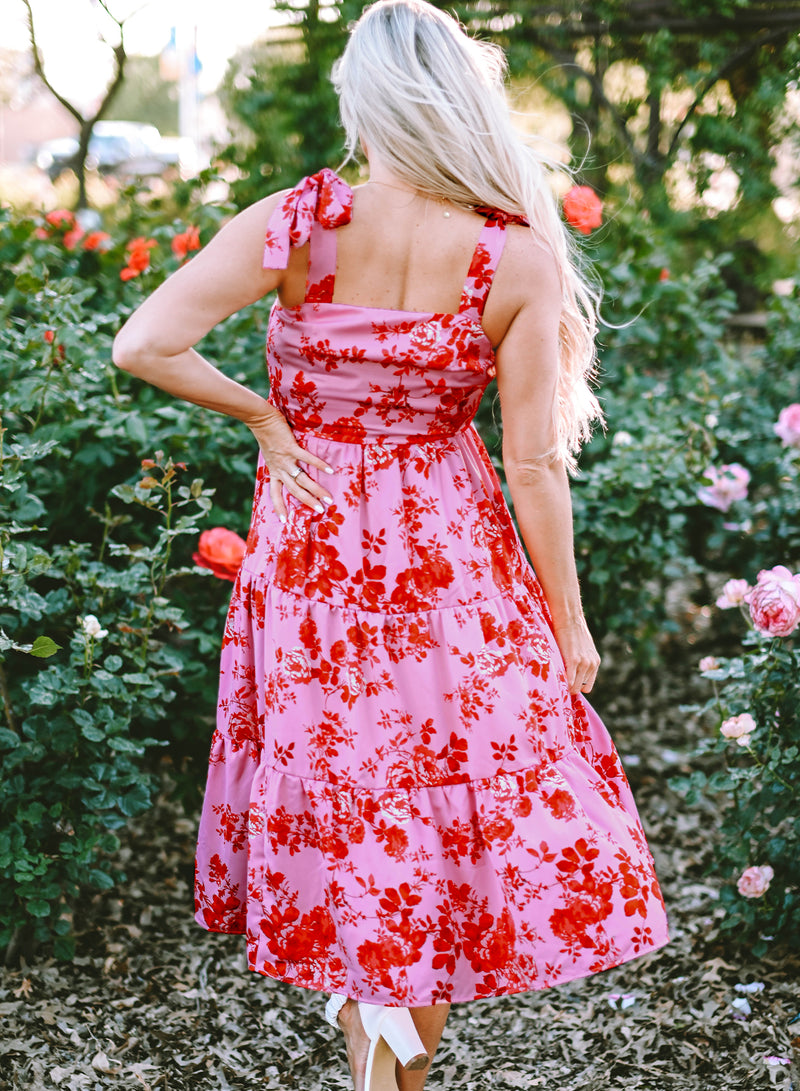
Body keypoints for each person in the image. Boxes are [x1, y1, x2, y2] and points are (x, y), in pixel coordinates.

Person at [112, 1, 669, 1087]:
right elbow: (534, 464)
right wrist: (566, 615)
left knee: (357, 807)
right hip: (447, 558)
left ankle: (381, 1064)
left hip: (313, 552)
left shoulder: (299, 222)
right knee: (432, 810)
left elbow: (145, 343)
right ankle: (388, 1066)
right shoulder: (511, 253)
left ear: (362, 99)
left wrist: (268, 419)